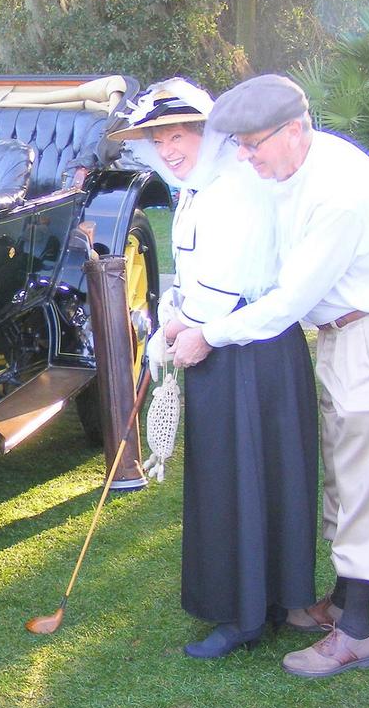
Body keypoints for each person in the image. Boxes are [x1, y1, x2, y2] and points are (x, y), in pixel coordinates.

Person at [171, 74, 369, 678]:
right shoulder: (289, 169)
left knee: (368, 478)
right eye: (238, 145)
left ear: (294, 129)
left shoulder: (338, 193)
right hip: (341, 334)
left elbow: (287, 303)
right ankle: (339, 603)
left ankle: (357, 633)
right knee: (343, 471)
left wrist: (209, 333)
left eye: (253, 144)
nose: (244, 156)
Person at [110, 78, 320, 659]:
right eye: (158, 140)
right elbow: (194, 276)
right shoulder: (200, 188)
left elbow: (225, 287)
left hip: (246, 351)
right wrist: (173, 319)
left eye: (178, 136)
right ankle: (264, 602)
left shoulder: (234, 187)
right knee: (242, 476)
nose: (168, 149)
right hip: (231, 344)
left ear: (207, 133)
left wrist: (178, 330)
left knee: (242, 479)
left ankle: (246, 615)